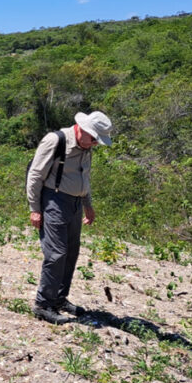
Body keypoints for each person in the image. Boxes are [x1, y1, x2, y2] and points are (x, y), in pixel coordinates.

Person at [26, 111, 113, 324]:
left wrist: (87, 206)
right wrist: (35, 208)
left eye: (97, 141)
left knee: (71, 252)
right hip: (53, 201)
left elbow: (84, 178)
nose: (94, 144)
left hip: (74, 204)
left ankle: (59, 299)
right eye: (93, 139)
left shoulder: (86, 147)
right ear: (82, 129)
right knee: (56, 254)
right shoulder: (56, 140)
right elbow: (35, 175)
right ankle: (43, 304)